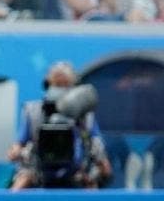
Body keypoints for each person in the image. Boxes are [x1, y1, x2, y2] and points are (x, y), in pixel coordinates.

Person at [7, 61, 112, 189]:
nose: (61, 89)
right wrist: (16, 152)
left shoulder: (86, 117)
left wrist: (102, 168)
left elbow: (98, 149)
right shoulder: (32, 112)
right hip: (39, 171)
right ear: (47, 85)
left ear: (74, 87)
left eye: (65, 85)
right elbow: (17, 146)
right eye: (57, 84)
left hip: (77, 172)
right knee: (22, 179)